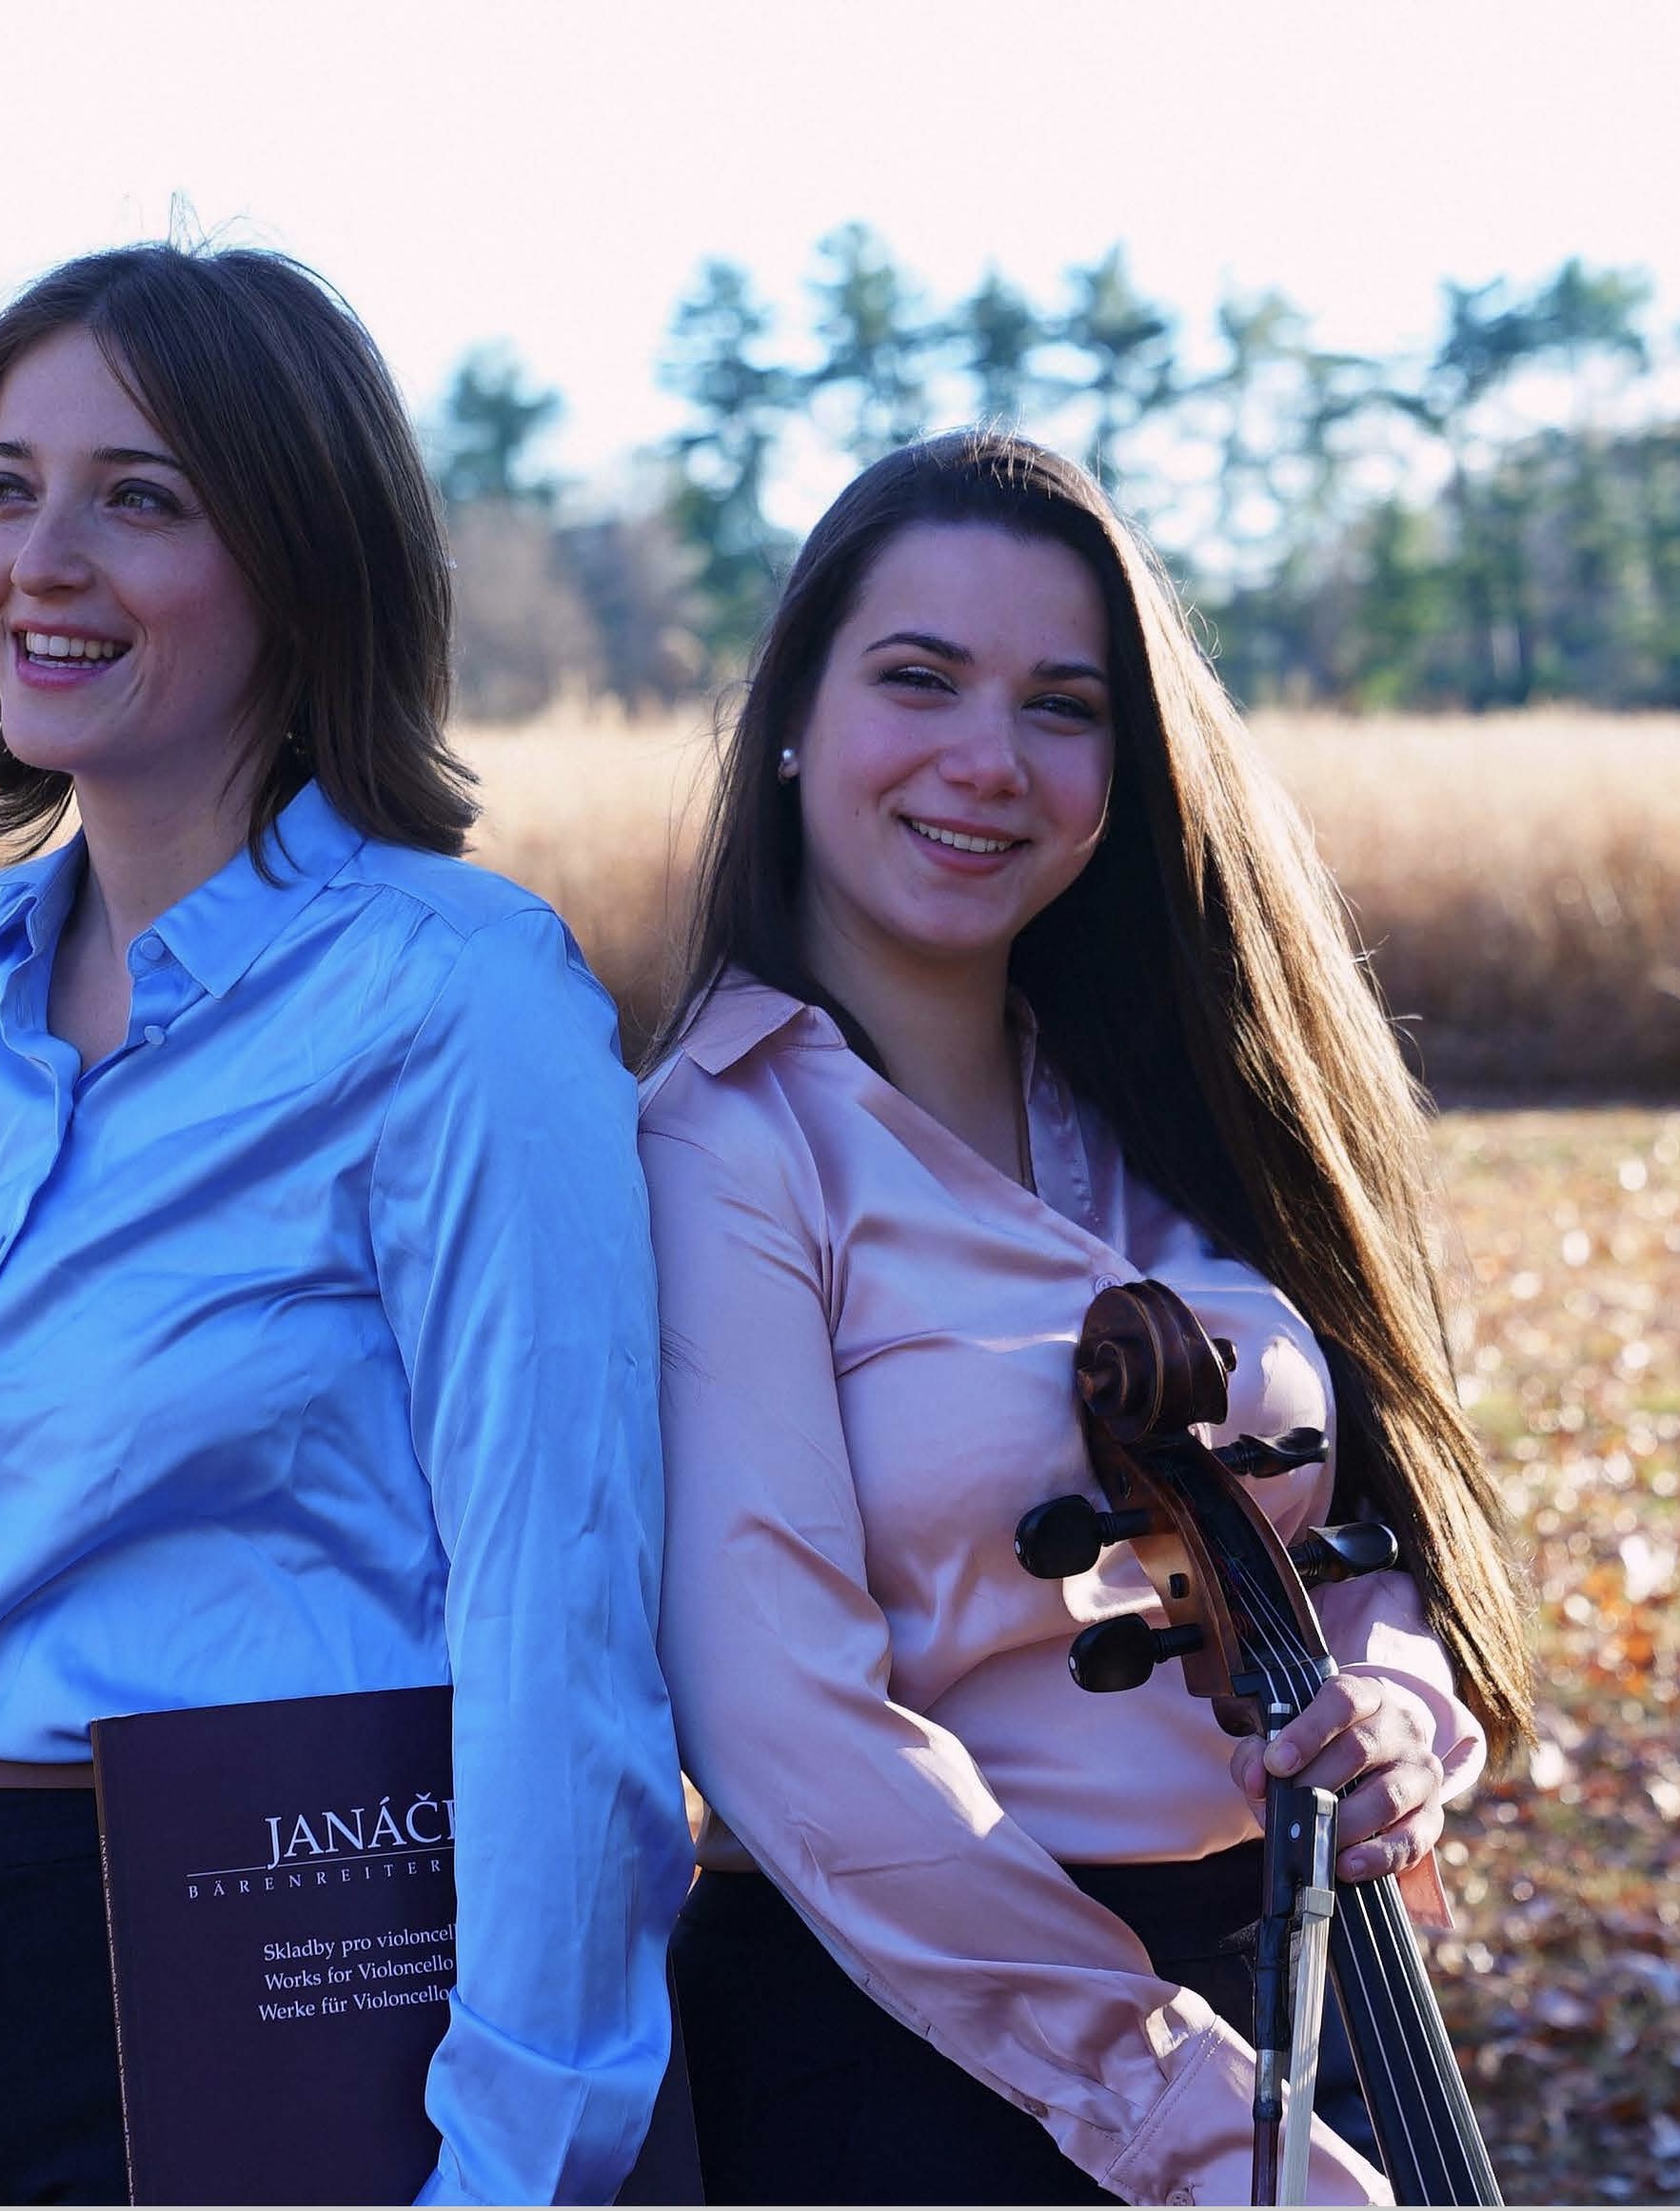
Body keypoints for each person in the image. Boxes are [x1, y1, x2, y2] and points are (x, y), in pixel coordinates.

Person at [0, 242, 689, 2206]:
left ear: (300, 561)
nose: (42, 557)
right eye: (8, 488)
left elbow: (561, 1619)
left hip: (290, 2005)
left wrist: (518, 2158)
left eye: (142, 497)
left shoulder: (455, 998)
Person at [637, 431, 1532, 2206]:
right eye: (921, 679)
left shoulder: (1179, 1103)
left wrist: (1396, 1703)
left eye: (1066, 704)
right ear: (795, 714)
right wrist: (1194, 2131)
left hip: (1295, 1992)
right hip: (919, 2060)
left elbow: (1349, 1529)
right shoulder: (719, 1146)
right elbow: (794, 1741)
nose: (991, 759)